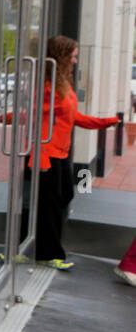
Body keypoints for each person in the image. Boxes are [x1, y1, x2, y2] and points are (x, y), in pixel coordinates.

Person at [27, 36, 122, 270]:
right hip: (45, 154)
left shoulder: (62, 85)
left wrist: (105, 122)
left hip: (59, 153)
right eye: (73, 55)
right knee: (49, 204)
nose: (76, 60)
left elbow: (73, 118)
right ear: (62, 57)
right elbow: (30, 114)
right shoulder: (48, 86)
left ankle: (31, 245)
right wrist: (0, 118)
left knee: (62, 197)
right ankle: (49, 254)